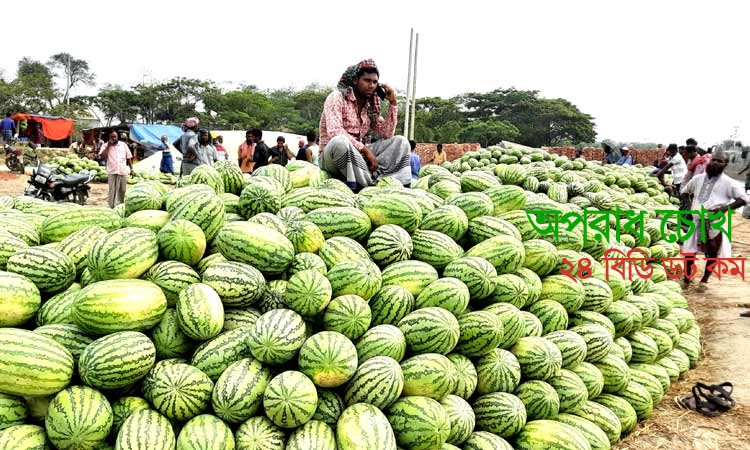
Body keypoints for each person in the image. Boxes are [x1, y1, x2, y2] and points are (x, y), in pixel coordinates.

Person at [319, 59, 411, 189]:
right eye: (367, 81)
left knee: (401, 142)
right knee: (340, 142)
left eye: (374, 82)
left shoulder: (370, 106)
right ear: (356, 80)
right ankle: (364, 184)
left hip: (359, 156)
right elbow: (335, 131)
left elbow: (387, 133)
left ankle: (392, 182)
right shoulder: (337, 97)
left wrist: (393, 103)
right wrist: (365, 149)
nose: (372, 85)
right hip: (332, 156)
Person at [680, 152, 749, 291]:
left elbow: (744, 199)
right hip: (697, 220)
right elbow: (685, 191)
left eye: (720, 161)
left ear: (725, 164)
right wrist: (688, 205)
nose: (716, 163)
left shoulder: (729, 183)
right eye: (714, 160)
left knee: (712, 253)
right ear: (710, 161)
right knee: (689, 251)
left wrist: (724, 208)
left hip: (715, 222)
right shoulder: (698, 179)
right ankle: (687, 278)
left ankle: (704, 280)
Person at [98, 130, 132, 208]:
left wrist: (131, 169)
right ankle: (111, 206)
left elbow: (129, 157)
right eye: (111, 137)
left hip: (122, 170)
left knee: (122, 190)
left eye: (114, 136)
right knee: (112, 190)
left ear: (117, 137)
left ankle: (121, 206)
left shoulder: (123, 145)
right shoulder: (105, 145)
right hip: (112, 171)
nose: (113, 138)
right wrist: (108, 146)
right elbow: (103, 156)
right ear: (109, 138)